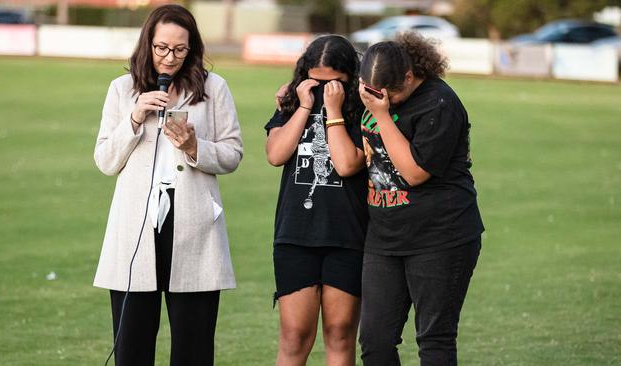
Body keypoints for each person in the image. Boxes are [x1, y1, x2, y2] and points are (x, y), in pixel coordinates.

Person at [92, 5, 243, 366]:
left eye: (179, 49)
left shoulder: (214, 88)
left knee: (193, 349)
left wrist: (194, 147)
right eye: (162, 48)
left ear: (192, 48)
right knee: (131, 348)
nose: (169, 57)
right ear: (148, 43)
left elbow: (233, 153)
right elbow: (105, 161)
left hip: (194, 226)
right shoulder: (121, 89)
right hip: (135, 230)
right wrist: (134, 116)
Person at [356, 31, 485, 366]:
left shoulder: (439, 103)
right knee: (374, 340)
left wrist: (383, 115)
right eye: (373, 93)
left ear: (409, 76)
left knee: (434, 339)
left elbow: (415, 173)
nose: (383, 99)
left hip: (441, 236)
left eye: (391, 94)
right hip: (384, 237)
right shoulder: (373, 90)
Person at [264, 35, 368, 366]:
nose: (324, 90)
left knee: (339, 332)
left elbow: (347, 164)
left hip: (347, 235)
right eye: (317, 81)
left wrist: (334, 111)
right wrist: (305, 106)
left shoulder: (364, 109)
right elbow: (276, 154)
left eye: (333, 83)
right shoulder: (293, 102)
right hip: (296, 234)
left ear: (350, 77)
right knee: (294, 335)